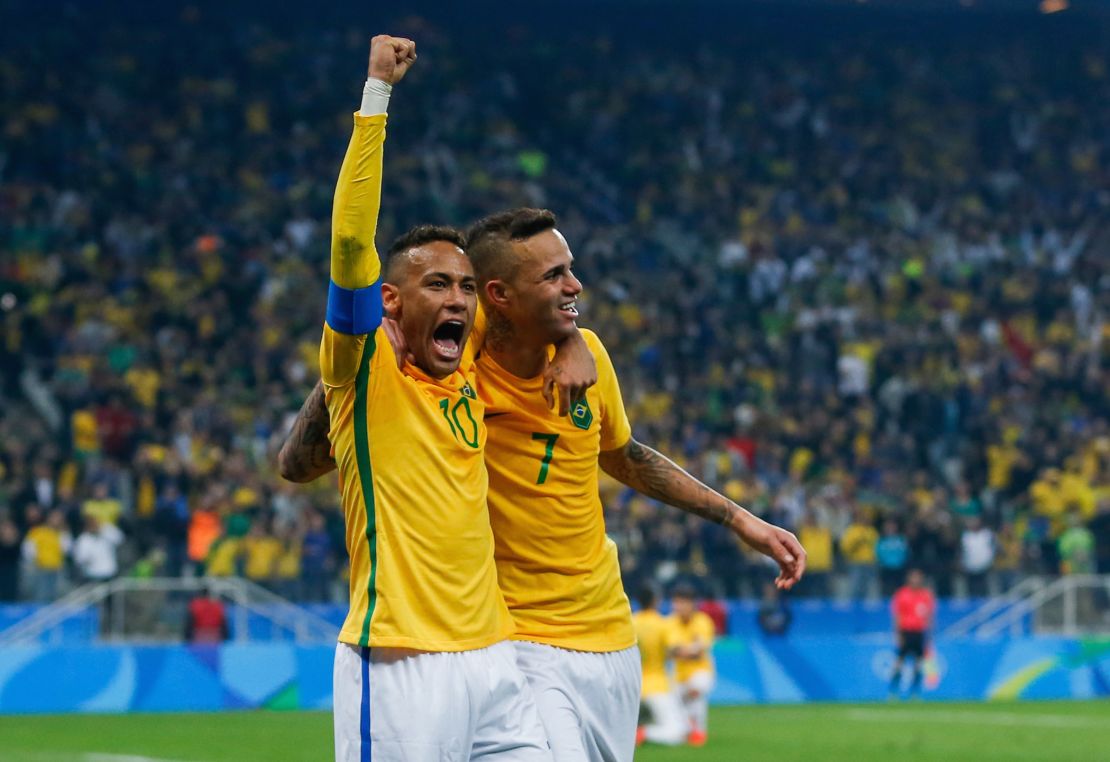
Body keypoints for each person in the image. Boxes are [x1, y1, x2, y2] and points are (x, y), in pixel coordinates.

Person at [284, 205, 807, 762]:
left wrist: (740, 519)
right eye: (553, 275)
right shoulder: (459, 357)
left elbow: (624, 455)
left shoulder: (589, 353)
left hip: (609, 629)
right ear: (499, 296)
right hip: (517, 636)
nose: (574, 285)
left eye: (569, 270)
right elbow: (305, 457)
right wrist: (351, 363)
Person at [312, 36, 549, 762]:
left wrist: (567, 340)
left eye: (467, 288)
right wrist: (376, 96)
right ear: (392, 301)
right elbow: (352, 244)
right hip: (399, 664)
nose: (459, 299)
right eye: (438, 285)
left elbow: (542, 310)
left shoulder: (471, 369)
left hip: (495, 660)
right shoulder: (362, 371)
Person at [631, 586, 686, 748]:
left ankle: (633, 731)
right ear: (656, 601)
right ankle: (643, 733)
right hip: (657, 686)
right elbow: (676, 650)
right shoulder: (662, 624)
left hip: (633, 688)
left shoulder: (630, 622)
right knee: (677, 731)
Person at [668, 583, 716, 746]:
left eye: (682, 602)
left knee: (697, 688)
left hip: (701, 670)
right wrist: (690, 650)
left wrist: (682, 651)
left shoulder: (703, 621)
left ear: (692, 603)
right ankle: (688, 729)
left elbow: (700, 650)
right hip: (678, 674)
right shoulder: (670, 622)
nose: (678, 606)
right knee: (675, 703)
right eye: (675, 602)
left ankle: (698, 731)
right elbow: (671, 651)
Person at [888, 568, 936, 700]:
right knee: (899, 663)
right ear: (909, 579)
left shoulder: (926, 595)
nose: (916, 580)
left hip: (920, 632)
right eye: (913, 577)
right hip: (906, 632)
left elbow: (930, 617)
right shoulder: (902, 594)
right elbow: (897, 616)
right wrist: (898, 635)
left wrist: (930, 636)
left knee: (918, 664)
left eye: (918, 577)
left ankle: (915, 692)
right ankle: (893, 691)